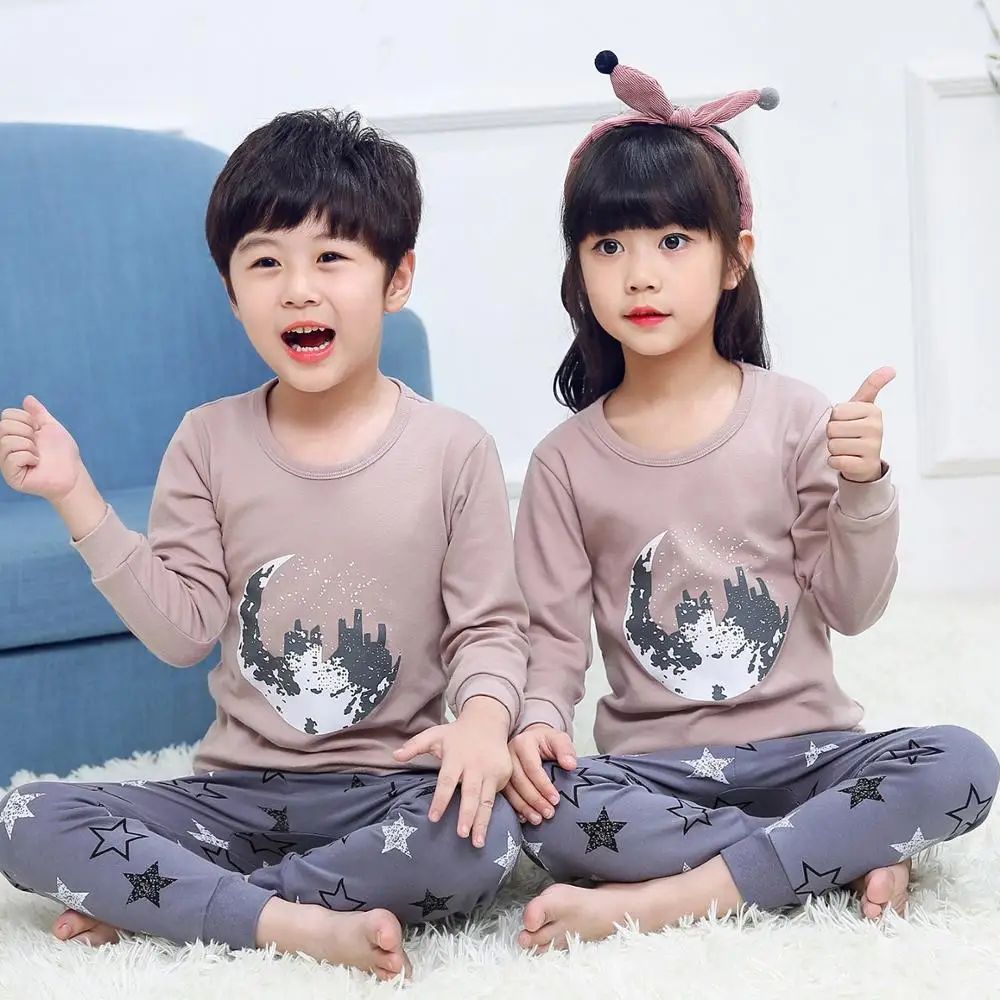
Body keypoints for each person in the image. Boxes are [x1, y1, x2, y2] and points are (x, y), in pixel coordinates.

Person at [0, 108, 528, 980]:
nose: (298, 290)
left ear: (396, 279)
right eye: (266, 262)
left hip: (389, 792)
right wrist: (74, 494)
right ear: (232, 290)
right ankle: (292, 921)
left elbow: (489, 628)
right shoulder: (206, 441)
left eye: (332, 258)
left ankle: (199, 906)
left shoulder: (453, 449)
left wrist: (481, 722)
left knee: (487, 835)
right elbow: (182, 633)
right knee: (23, 818)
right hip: (234, 801)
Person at [503, 51, 999, 952]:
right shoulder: (564, 463)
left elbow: (851, 609)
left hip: (814, 756)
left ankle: (674, 897)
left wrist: (864, 488)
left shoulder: (796, 418)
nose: (640, 274)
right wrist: (537, 722)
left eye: (674, 241)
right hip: (657, 776)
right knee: (546, 811)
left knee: (962, 762)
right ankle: (836, 851)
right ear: (578, 270)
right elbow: (552, 641)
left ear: (736, 260)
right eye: (609, 246)